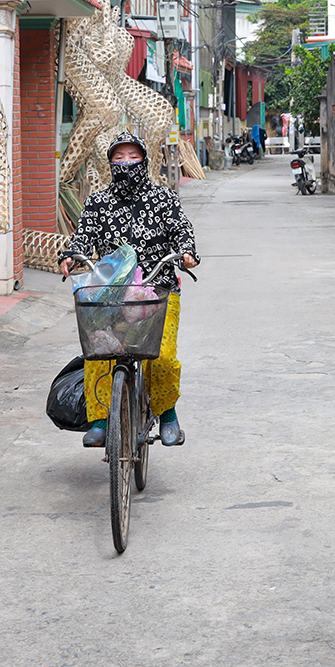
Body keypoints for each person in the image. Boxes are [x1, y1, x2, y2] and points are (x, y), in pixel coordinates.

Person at [59, 131, 200, 449]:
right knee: (98, 351)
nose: (126, 163)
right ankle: (98, 420)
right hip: (111, 296)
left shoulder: (163, 198)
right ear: (110, 163)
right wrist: (72, 254)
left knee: (161, 357)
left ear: (145, 160)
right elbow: (84, 235)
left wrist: (187, 253)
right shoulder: (98, 201)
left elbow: (181, 229)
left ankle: (167, 414)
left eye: (133, 157)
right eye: (118, 158)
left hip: (158, 291)